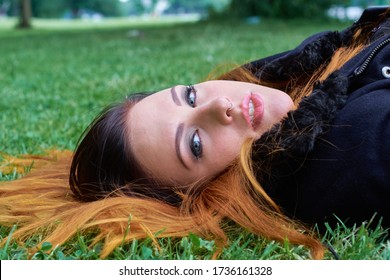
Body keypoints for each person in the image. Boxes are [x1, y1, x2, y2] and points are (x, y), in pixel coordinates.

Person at [1, 7, 389, 260]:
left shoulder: (288, 79)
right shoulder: (352, 147)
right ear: (208, 193)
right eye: (196, 143)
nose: (217, 105)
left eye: (188, 95)